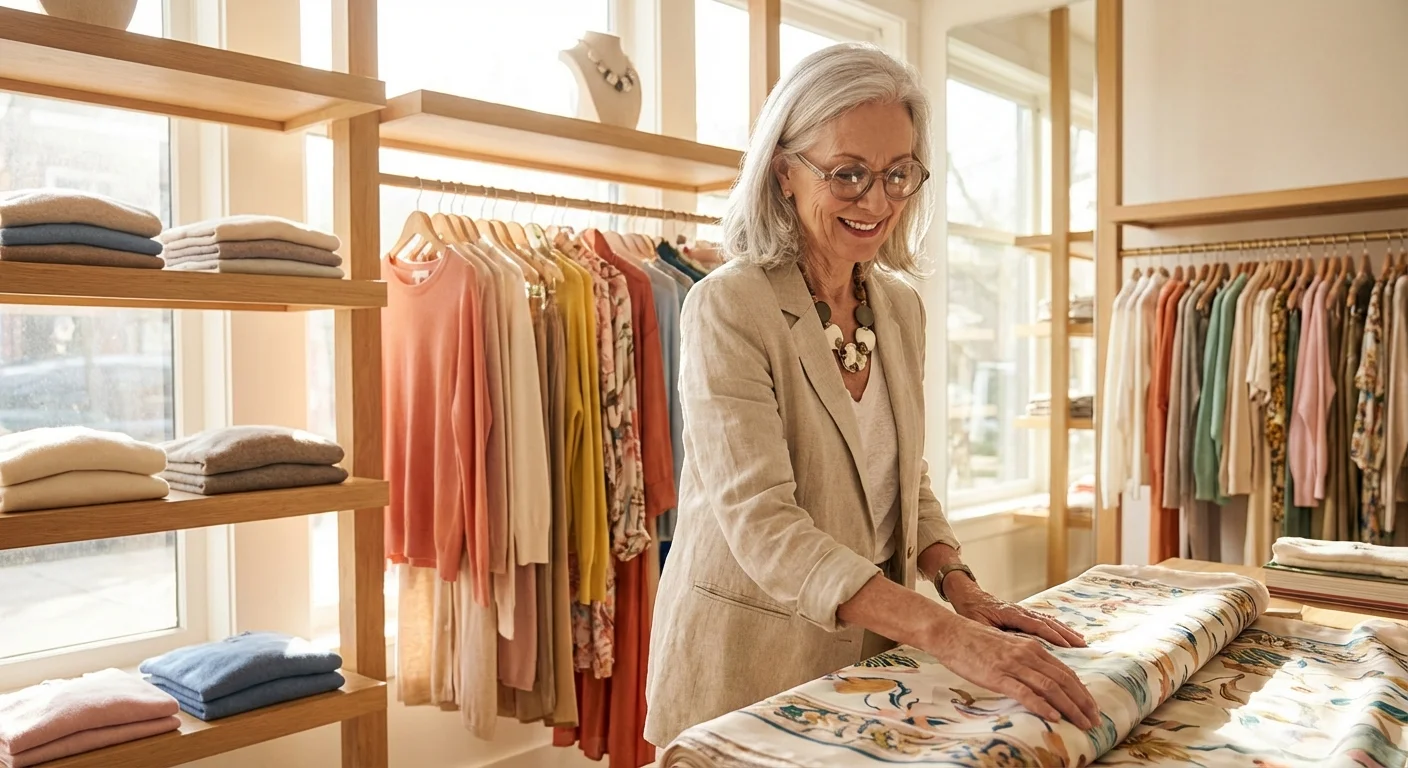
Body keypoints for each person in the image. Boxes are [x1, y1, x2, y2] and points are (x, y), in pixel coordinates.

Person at [643, 43, 1100, 747]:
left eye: (898, 175)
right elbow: (764, 523)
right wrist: (948, 636)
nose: (877, 201)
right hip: (744, 665)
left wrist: (960, 584)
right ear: (783, 172)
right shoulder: (727, 307)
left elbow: (901, 475)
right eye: (848, 174)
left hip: (867, 661)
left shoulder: (898, 308)